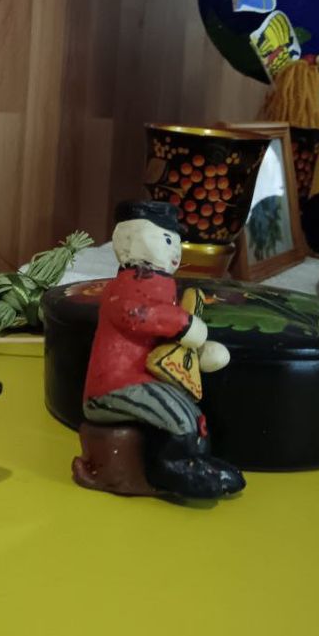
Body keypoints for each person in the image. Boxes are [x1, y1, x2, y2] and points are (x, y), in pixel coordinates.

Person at [81, 200, 244, 499]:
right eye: (167, 241)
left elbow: (161, 342)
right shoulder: (125, 285)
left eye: (177, 244)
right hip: (112, 388)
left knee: (189, 412)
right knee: (178, 415)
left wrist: (198, 351)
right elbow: (136, 314)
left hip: (144, 380)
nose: (176, 254)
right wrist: (184, 324)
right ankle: (172, 470)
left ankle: (197, 462)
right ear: (129, 240)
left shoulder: (161, 286)